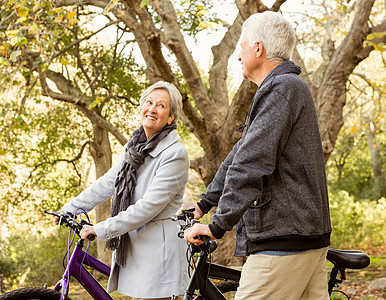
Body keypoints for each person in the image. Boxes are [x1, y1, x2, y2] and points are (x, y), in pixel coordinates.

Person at [182, 11, 332, 300]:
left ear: (258, 49)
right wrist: (204, 204)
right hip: (303, 239)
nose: (239, 56)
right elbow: (240, 153)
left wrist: (217, 225)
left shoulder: (282, 89)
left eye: (242, 47)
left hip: (283, 240)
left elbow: (252, 164)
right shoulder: (284, 90)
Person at [55, 81, 189, 300]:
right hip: (136, 249)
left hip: (158, 256)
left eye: (161, 106)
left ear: (171, 117)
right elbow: (109, 182)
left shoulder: (175, 155)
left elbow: (148, 207)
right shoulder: (134, 148)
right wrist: (70, 209)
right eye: (149, 102)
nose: (152, 109)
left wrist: (101, 228)